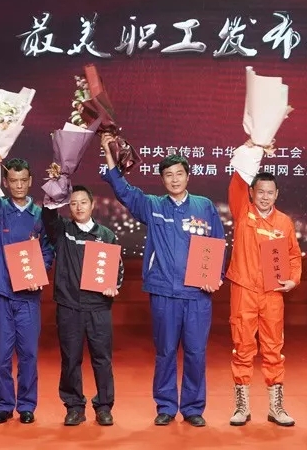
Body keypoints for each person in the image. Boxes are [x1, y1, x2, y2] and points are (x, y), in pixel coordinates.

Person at [99, 132, 225, 427]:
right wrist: (108, 151)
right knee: (165, 352)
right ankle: (166, 406)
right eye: (168, 175)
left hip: (197, 294)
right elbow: (123, 190)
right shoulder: (153, 205)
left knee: (196, 353)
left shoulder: (204, 206)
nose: (174, 179)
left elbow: (217, 243)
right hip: (164, 292)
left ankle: (193, 408)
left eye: (179, 173)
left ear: (188, 176)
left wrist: (215, 277)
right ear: (162, 180)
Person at [225, 141, 301, 427]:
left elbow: (293, 256)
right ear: (252, 193)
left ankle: (276, 407)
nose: (265, 197)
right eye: (260, 192)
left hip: (272, 293)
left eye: (270, 192)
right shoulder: (242, 212)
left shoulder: (285, 222)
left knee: (273, 348)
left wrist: (292, 280)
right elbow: (237, 181)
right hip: (243, 289)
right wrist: (253, 149)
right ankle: (242, 407)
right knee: (242, 347)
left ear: (277, 194)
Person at [0, 158, 54, 424]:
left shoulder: (40, 215)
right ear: (5, 183)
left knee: (29, 353)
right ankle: (4, 405)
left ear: (30, 181)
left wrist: (39, 274)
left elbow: (47, 250)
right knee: (2, 354)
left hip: (28, 295)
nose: (19, 185)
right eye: (13, 181)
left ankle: (27, 405)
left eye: (23, 180)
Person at [43, 185, 124, 427]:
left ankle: (104, 406)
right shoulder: (62, 231)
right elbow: (48, 214)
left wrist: (113, 285)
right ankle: (74, 406)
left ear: (92, 205)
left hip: (99, 306)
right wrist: (57, 184)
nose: (78, 207)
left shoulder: (106, 235)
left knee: (102, 359)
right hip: (69, 306)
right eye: (73, 203)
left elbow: (117, 268)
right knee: (70, 359)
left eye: (83, 202)